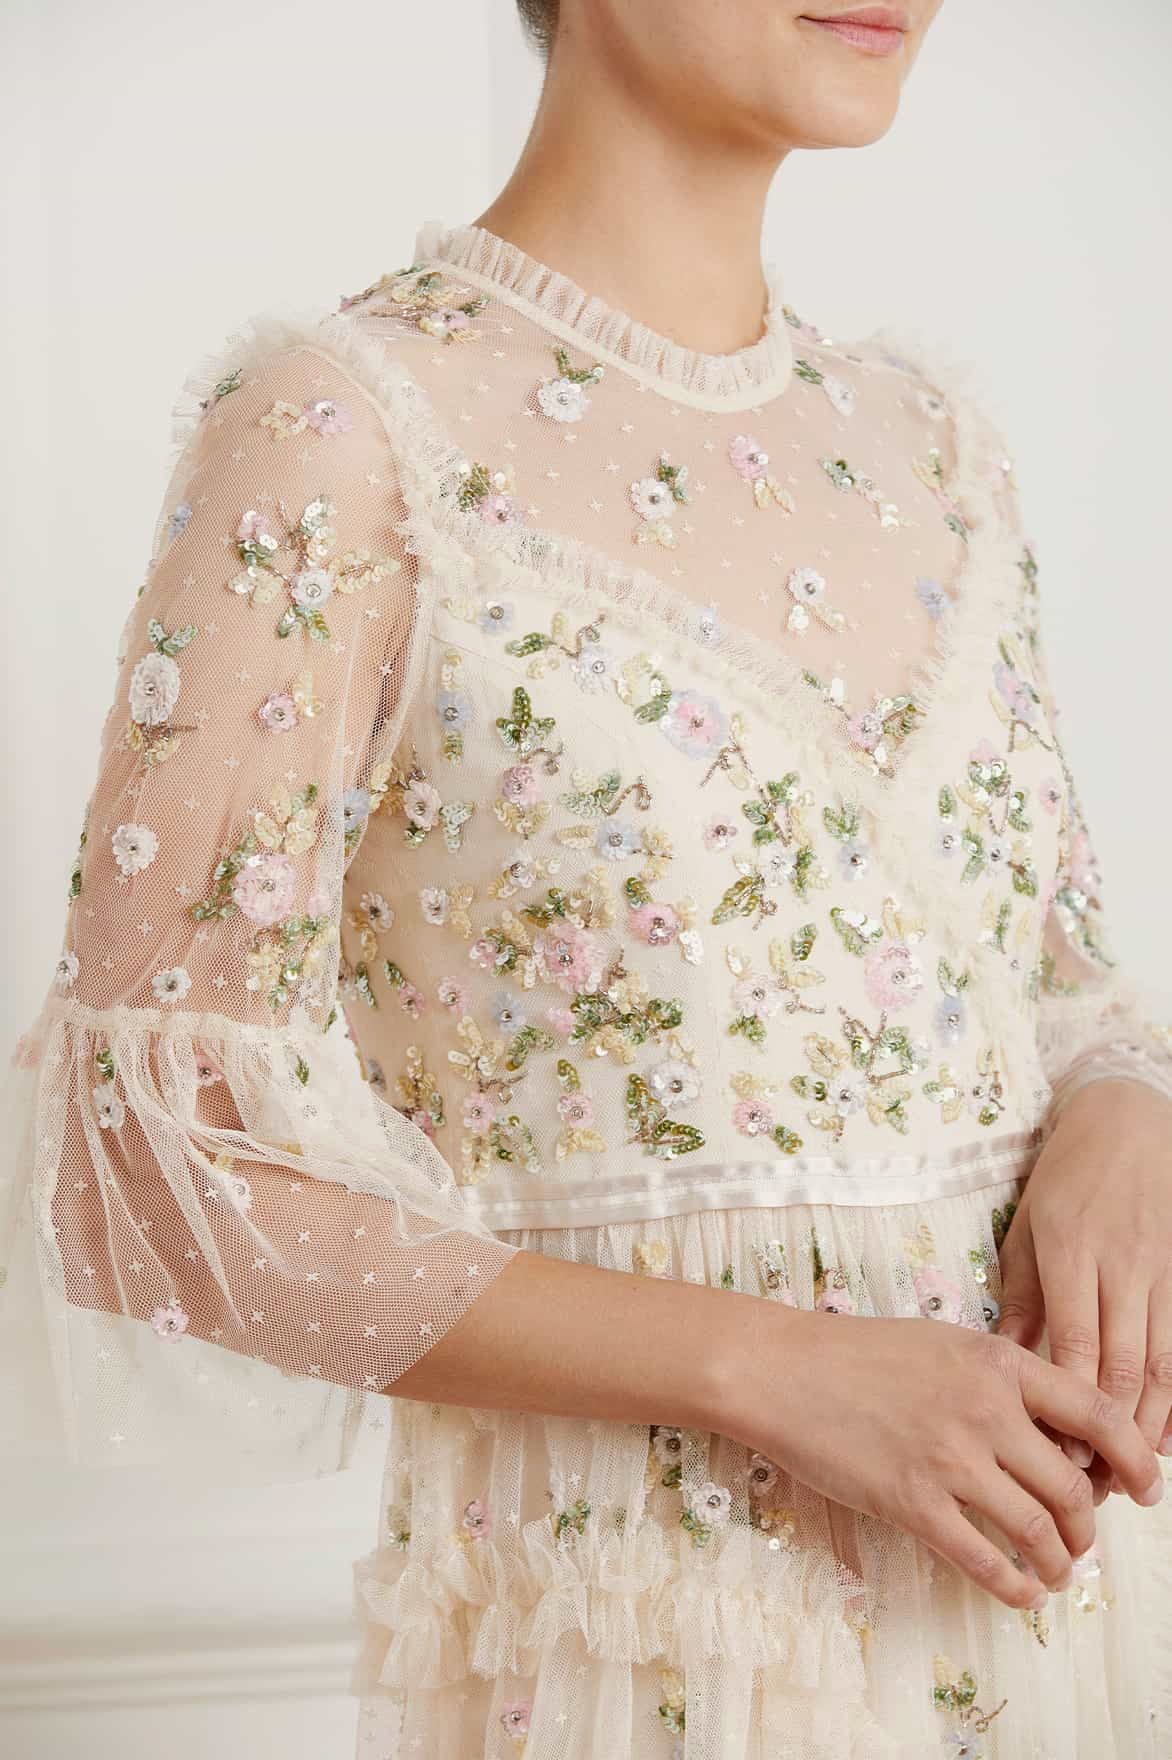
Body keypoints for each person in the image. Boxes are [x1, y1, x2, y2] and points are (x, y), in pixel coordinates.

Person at [3, 1, 1172, 1754]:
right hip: (655, 1634)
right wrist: (775, 1370)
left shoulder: (935, 444)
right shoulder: (340, 430)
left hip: (1064, 1610)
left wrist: (1125, 1113)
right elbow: (144, 1176)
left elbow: (1059, 978)